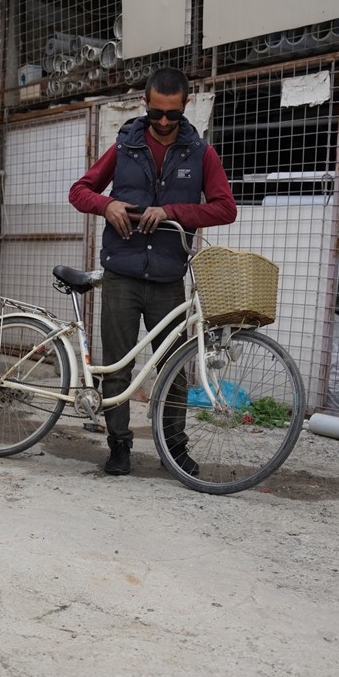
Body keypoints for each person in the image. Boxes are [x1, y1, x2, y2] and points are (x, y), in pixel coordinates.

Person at [69, 67, 237, 476]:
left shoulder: (201, 153)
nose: (164, 122)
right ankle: (119, 447)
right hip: (122, 274)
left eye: (173, 114)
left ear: (185, 107)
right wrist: (105, 205)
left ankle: (174, 449)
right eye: (157, 112)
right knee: (116, 368)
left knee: (174, 369)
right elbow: (79, 191)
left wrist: (173, 211)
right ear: (145, 104)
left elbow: (225, 207)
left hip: (167, 277)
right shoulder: (124, 146)